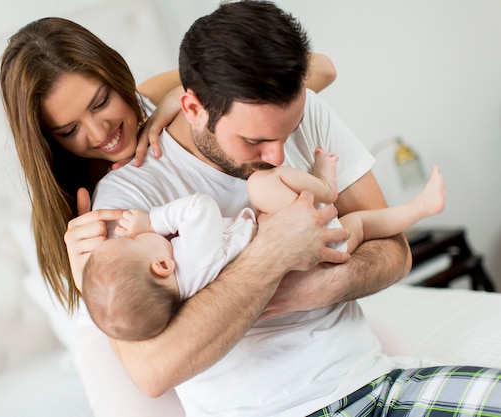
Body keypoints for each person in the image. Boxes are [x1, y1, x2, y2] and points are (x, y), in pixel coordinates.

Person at [65, 1, 501, 416]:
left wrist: (317, 287)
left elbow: (395, 252)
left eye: (287, 131)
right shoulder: (125, 205)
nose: (277, 156)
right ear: (193, 108)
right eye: (254, 141)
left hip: (378, 382)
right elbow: (152, 371)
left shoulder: (299, 106)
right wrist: (272, 256)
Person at [0, 13, 339, 417]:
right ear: (48, 139)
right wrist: (84, 275)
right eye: (69, 130)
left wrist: (180, 100)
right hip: (121, 322)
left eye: (102, 101)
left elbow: (320, 68)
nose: (97, 133)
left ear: (116, 73)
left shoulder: (156, 103)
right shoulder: (88, 210)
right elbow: (151, 369)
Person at [83, 162, 446, 342]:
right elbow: (200, 208)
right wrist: (151, 220)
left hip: (284, 245)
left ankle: (327, 188)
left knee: (352, 221)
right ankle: (418, 208)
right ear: (162, 266)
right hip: (310, 255)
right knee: (358, 223)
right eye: (129, 242)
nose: (132, 235)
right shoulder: (193, 257)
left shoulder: (187, 290)